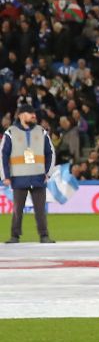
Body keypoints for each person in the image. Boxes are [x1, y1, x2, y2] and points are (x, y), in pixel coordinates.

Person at [3, 101, 54, 243]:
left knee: (40, 210)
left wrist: (48, 173)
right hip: (18, 177)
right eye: (30, 113)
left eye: (34, 113)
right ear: (21, 115)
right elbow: (3, 155)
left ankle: (44, 235)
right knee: (17, 210)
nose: (33, 116)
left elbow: (51, 152)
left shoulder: (41, 131)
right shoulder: (11, 132)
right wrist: (5, 176)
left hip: (38, 176)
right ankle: (15, 235)